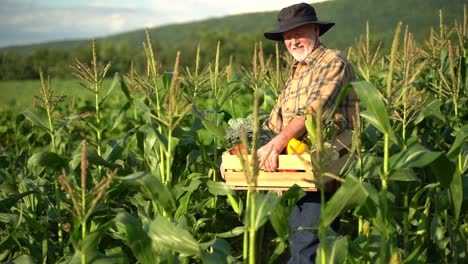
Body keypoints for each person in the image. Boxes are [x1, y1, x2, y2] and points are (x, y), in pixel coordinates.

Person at [221, 2, 358, 263]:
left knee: (308, 247)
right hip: (296, 174)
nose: (293, 41)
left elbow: (315, 111)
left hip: (324, 169)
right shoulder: (296, 73)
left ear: (316, 29)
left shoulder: (333, 62)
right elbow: (272, 126)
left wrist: (280, 141)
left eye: (299, 32)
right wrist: (235, 156)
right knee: (300, 242)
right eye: (287, 35)